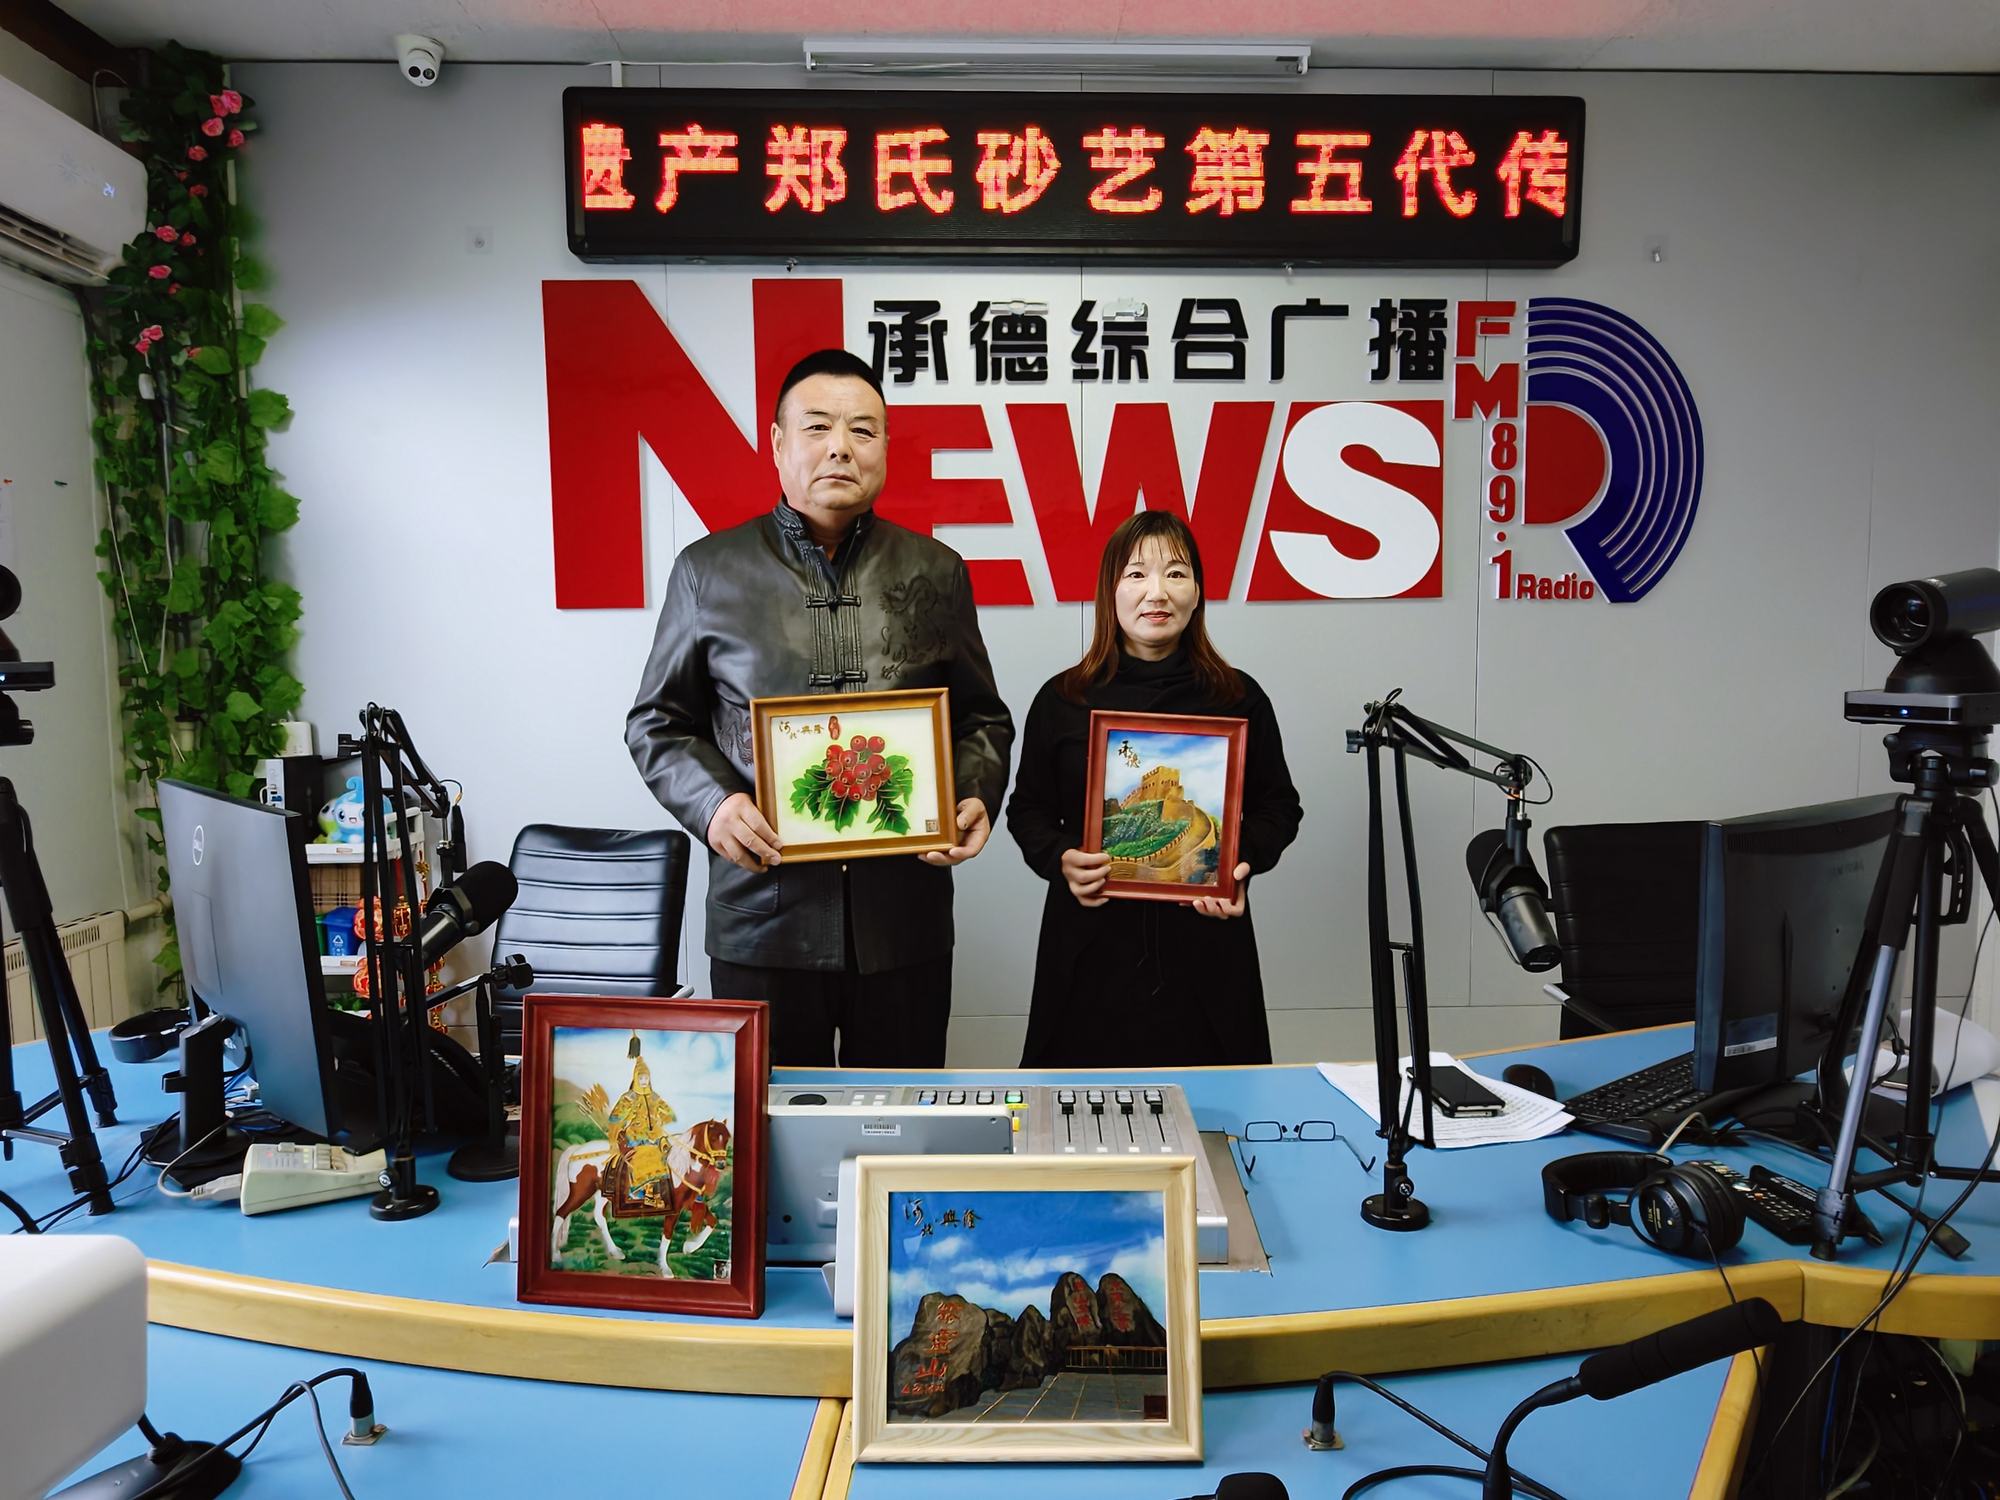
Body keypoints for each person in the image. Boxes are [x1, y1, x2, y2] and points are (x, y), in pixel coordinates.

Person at [626, 349, 1014, 1067]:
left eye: (862, 430)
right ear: (778, 444)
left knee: (902, 1120)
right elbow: (657, 723)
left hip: (904, 922)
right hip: (761, 919)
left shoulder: (935, 572)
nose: (840, 446)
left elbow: (982, 719)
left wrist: (971, 792)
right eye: (818, 427)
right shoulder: (707, 572)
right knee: (770, 1125)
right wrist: (713, 805)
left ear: (885, 448)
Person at [1006, 511, 1302, 1066]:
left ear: (1197, 593)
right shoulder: (1063, 698)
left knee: (1218, 1104)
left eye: (1176, 573)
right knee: (1080, 1104)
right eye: (1136, 574)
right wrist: (1060, 859)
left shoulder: (1238, 698)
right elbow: (1028, 810)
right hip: (1087, 947)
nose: (1157, 592)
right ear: (1110, 592)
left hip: (1207, 950)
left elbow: (1279, 806)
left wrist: (1236, 862)